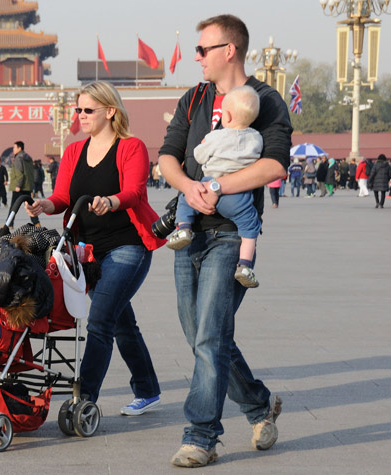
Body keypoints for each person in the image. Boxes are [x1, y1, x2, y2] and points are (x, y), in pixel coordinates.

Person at [158, 14, 290, 468]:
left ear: (228, 50)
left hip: (232, 235)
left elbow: (274, 166)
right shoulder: (193, 99)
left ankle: (200, 435)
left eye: (203, 49)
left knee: (209, 335)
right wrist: (190, 188)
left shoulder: (266, 100)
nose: (196, 57)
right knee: (200, 335)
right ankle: (258, 403)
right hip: (188, 231)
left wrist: (217, 187)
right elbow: (168, 159)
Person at [25, 81, 163, 416]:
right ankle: (147, 389)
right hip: (84, 252)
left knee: (100, 320)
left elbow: (134, 191)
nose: (81, 116)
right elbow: (64, 198)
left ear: (110, 111)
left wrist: (111, 201)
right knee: (120, 322)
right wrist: (44, 204)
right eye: (78, 110)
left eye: (88, 110)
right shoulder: (73, 150)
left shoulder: (132, 147)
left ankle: (83, 399)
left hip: (127, 247)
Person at [166, 86, 263, 289]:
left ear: (225, 116)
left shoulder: (216, 136)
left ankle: (183, 228)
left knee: (186, 197)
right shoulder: (256, 138)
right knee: (249, 228)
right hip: (239, 196)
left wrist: (203, 143)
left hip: (208, 185)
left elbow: (199, 156)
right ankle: (245, 265)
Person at [9, 141, 38, 224]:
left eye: (14, 147)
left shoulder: (18, 158)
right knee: (30, 206)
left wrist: (18, 185)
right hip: (27, 186)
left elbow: (19, 173)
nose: (13, 149)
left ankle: (9, 224)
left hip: (20, 186)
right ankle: (36, 222)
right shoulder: (28, 158)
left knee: (13, 206)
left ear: (19, 148)